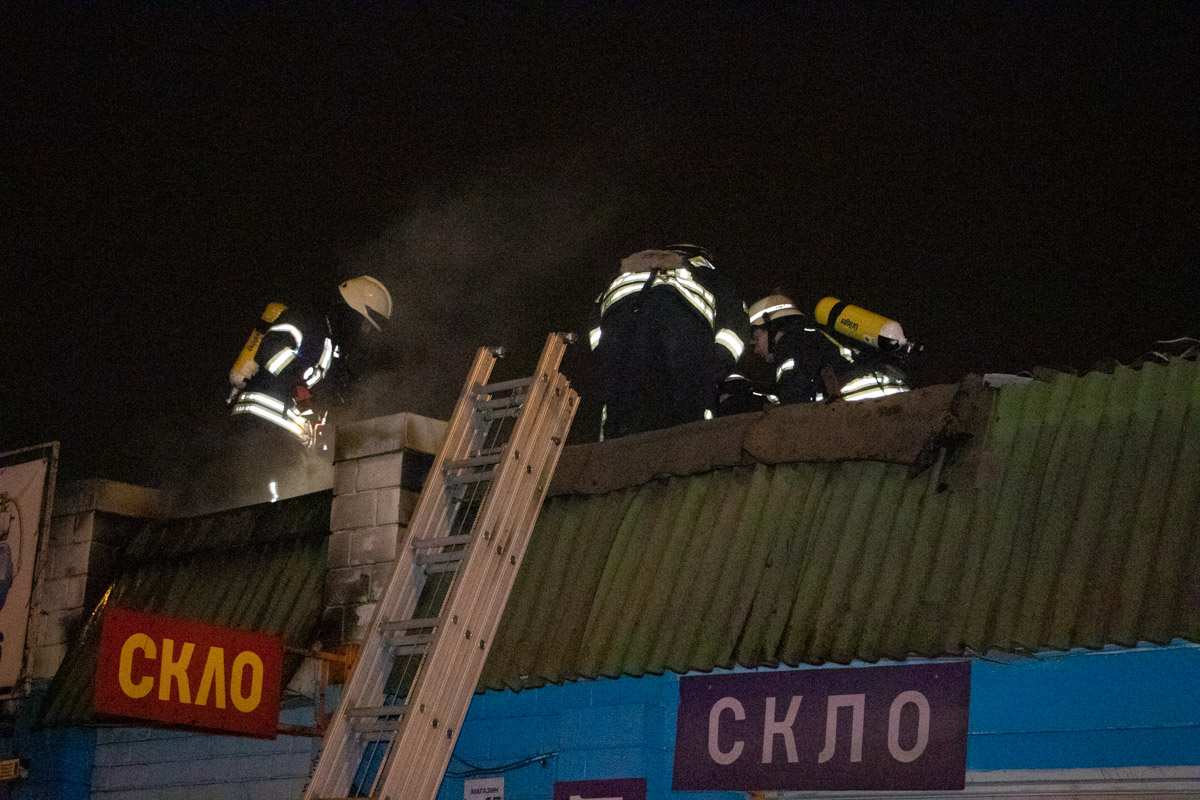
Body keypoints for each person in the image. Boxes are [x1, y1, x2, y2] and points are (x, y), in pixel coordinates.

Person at [589, 244, 749, 439]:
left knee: (620, 408)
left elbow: (594, 324)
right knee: (687, 416)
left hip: (620, 326)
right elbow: (735, 325)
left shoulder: (624, 273)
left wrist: (605, 358)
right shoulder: (706, 272)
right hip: (679, 324)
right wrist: (712, 368)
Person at [228, 275, 392, 447]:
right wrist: (295, 385)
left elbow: (326, 394)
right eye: (365, 326)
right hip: (259, 424)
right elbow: (271, 350)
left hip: (285, 436)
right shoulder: (309, 320)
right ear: (353, 311)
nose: (363, 333)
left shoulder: (332, 345)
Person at [748, 293, 843, 404]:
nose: (756, 349)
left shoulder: (791, 344)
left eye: (756, 338)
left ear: (772, 327)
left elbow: (793, 396)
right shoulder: (808, 338)